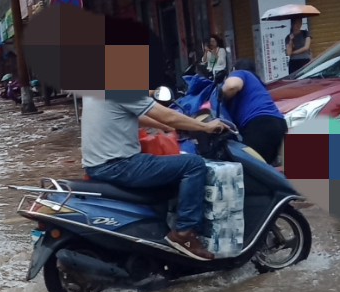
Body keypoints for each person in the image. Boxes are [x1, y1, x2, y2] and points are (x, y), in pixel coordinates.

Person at [81, 27, 232, 261]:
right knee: (193, 165)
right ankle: (184, 233)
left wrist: (168, 127)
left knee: (172, 173)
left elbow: (138, 116)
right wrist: (204, 127)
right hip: (120, 165)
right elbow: (167, 114)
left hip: (97, 166)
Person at [215, 70, 291, 166]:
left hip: (261, 125)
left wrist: (220, 94)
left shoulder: (241, 73)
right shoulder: (257, 85)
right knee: (266, 168)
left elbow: (231, 86)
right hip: (279, 123)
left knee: (248, 167)